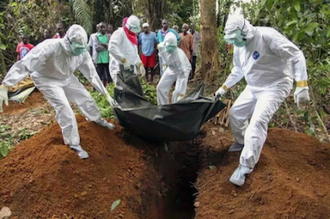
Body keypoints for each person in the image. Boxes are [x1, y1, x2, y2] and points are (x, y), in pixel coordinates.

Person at [215, 15, 310, 186]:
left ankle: (245, 166)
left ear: (244, 31)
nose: (235, 42)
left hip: (275, 85)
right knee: (236, 113)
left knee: (257, 122)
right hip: (253, 85)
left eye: (236, 38)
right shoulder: (239, 47)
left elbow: (296, 54)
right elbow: (238, 70)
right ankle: (243, 141)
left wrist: (302, 84)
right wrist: (223, 88)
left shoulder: (267, 36)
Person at [0, 24, 116, 159]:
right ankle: (73, 144)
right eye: (77, 48)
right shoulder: (50, 47)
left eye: (81, 48)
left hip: (66, 77)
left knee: (85, 98)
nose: (79, 51)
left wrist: (106, 94)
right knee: (64, 107)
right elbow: (26, 64)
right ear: (68, 41)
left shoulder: (82, 52)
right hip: (46, 79)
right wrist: (6, 85)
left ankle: (97, 119)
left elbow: (92, 74)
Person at [108, 15, 145, 84]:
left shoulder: (133, 36)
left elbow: (134, 53)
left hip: (130, 68)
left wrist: (139, 64)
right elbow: (112, 47)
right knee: (121, 89)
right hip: (119, 67)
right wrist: (123, 59)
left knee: (130, 90)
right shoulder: (120, 33)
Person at [157, 32, 191, 105]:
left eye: (172, 47)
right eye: (168, 46)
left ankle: (175, 110)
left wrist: (181, 93)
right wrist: (163, 64)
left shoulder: (179, 56)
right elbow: (162, 55)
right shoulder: (161, 46)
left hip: (182, 71)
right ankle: (163, 108)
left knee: (177, 94)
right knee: (160, 88)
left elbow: (183, 76)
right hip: (171, 68)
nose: (170, 49)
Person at [95, 22, 111, 86]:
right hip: (99, 59)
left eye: (104, 27)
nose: (102, 29)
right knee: (99, 76)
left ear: (106, 28)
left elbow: (111, 46)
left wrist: (103, 44)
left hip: (108, 59)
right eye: (101, 27)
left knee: (109, 75)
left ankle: (110, 88)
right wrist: (106, 46)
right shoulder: (96, 36)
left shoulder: (109, 36)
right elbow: (97, 48)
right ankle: (97, 89)